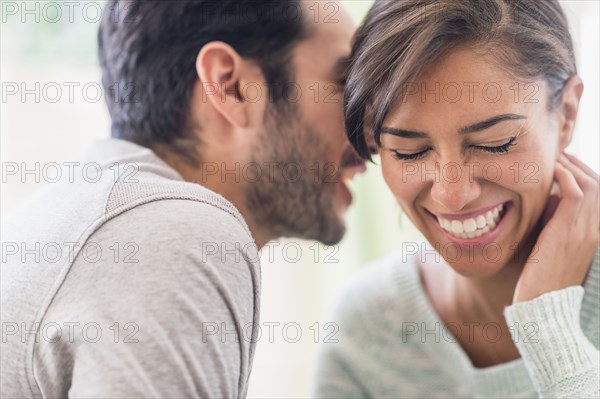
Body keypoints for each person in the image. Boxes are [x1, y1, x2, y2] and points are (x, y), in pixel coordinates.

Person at [1, 1, 365, 397]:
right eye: (345, 86)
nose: (374, 134)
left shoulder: (81, 212)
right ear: (231, 86)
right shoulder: (170, 231)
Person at [315, 0, 599, 397]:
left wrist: (547, 329)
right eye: (408, 151)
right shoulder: (367, 330)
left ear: (566, 114)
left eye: (494, 144)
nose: (451, 195)